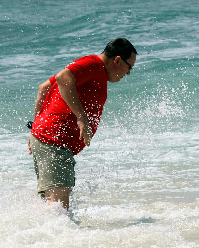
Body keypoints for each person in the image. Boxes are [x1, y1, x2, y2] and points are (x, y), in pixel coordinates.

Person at [28, 38, 137, 210]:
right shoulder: (94, 65)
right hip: (54, 141)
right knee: (59, 208)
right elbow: (63, 77)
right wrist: (81, 117)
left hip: (48, 140)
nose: (128, 73)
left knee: (52, 207)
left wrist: (35, 129)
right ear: (117, 60)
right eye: (129, 67)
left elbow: (44, 88)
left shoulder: (94, 68)